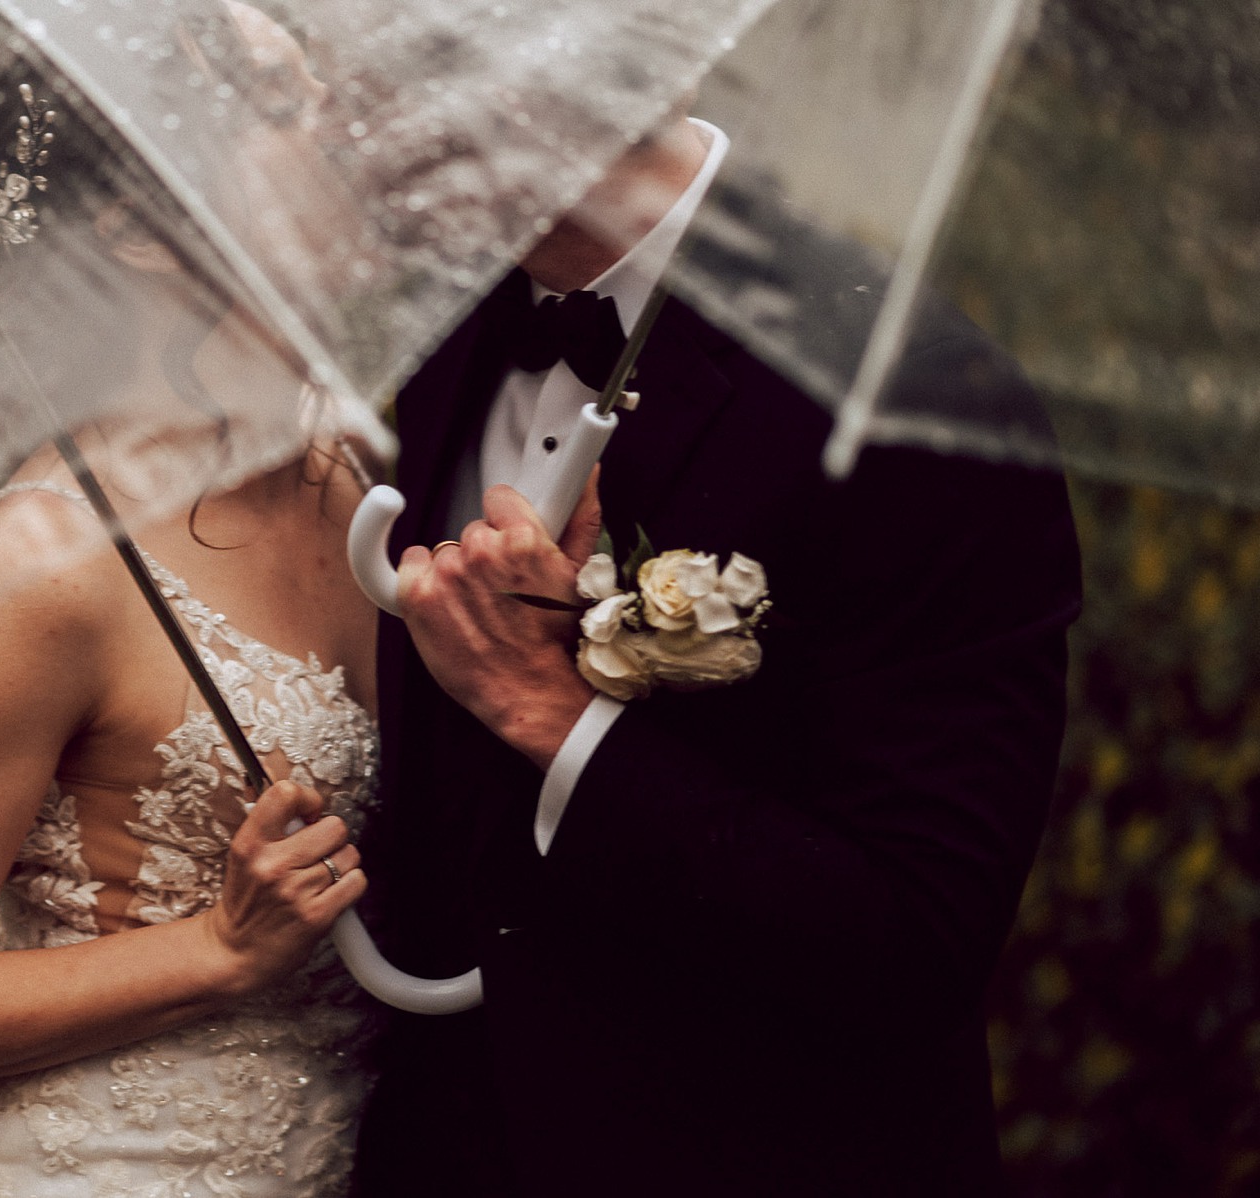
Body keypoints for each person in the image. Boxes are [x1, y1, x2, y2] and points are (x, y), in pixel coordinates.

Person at [352, 111, 1083, 1195]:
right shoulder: (439, 331)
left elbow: (913, 942)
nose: (353, 124)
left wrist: (559, 716)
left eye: (404, 62)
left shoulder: (916, 390)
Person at [0, 9, 393, 1195]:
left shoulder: (358, 457)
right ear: (137, 221)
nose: (345, 121)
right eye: (282, 106)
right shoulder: (48, 560)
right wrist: (217, 951)